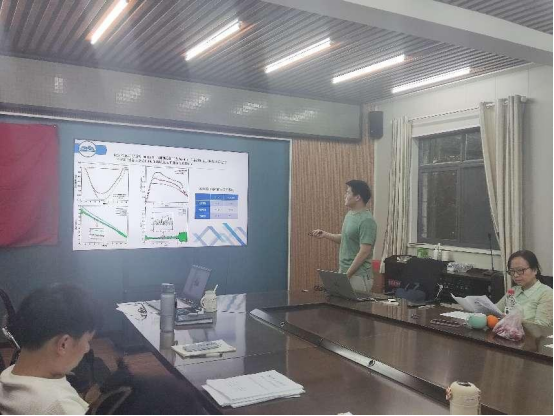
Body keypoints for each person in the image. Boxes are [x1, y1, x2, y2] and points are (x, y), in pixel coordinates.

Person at [0, 284, 101, 415]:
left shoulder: (8, 375)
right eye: (87, 341)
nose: (87, 349)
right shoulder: (61, 406)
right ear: (64, 344)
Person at [310, 180, 377, 293]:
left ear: (357, 197)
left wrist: (346, 275)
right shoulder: (350, 215)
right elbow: (346, 239)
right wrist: (325, 234)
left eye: (348, 192)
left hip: (358, 276)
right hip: (345, 273)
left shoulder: (367, 221)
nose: (345, 195)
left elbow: (364, 251)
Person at [496, 250, 553, 327]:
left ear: (535, 270)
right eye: (512, 271)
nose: (515, 275)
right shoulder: (513, 290)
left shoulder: (547, 294)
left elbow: (541, 327)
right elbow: (495, 310)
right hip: (504, 331)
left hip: (530, 335)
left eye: (520, 270)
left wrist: (513, 320)